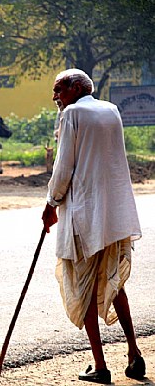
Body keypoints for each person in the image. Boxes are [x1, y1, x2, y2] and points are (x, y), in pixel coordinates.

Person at [42, 69, 146, 384]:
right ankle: (133, 351)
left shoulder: (72, 114)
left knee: (85, 288)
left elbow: (64, 167)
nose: (55, 97)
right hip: (114, 215)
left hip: (84, 215)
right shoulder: (110, 110)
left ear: (77, 88)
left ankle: (100, 365)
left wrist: (51, 204)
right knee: (114, 282)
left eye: (59, 89)